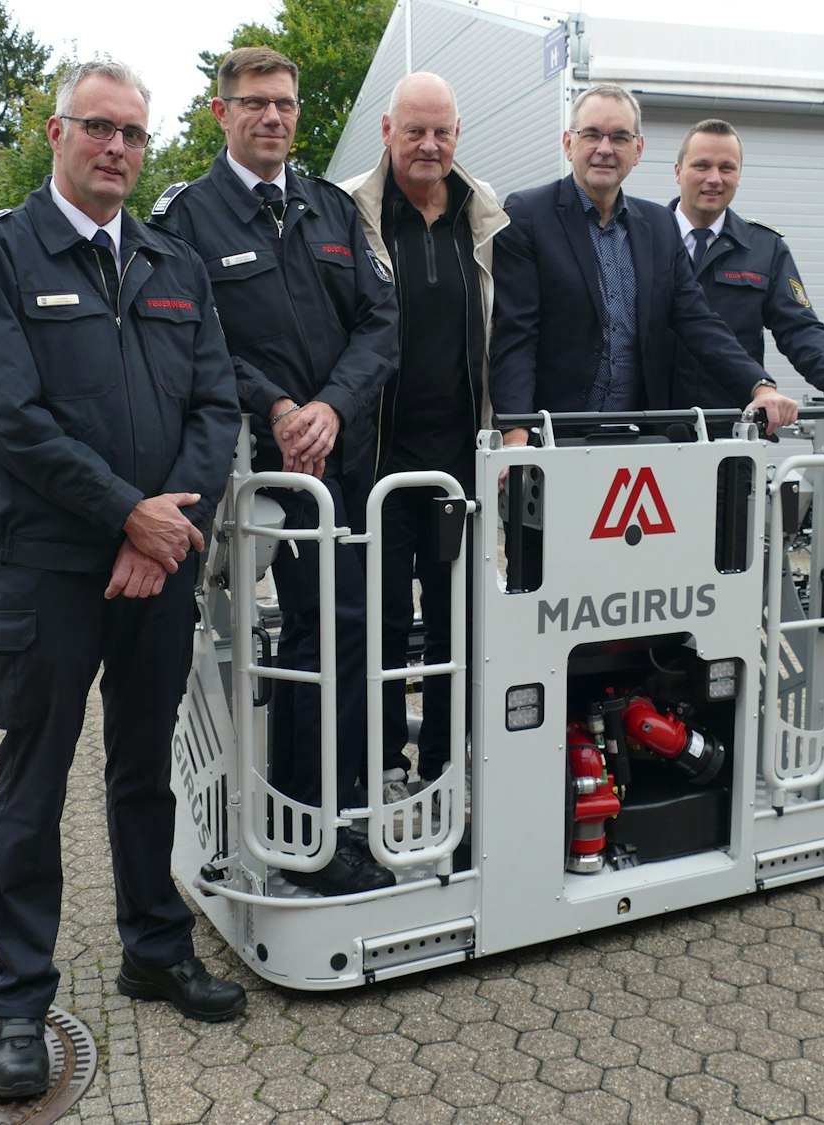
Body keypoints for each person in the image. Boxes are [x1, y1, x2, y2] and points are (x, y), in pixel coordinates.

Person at [0, 59, 248, 1101]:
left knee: (146, 771)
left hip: (153, 566)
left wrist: (161, 527)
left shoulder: (172, 263)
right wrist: (126, 512)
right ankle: (19, 1002)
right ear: (56, 134)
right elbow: (5, 417)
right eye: (98, 128)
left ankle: (154, 951)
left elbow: (215, 409)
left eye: (132, 134)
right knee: (32, 786)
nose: (116, 147)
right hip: (50, 571)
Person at [151, 46, 400, 895]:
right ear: (221, 113)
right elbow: (195, 342)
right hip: (264, 473)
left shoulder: (332, 209)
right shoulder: (186, 219)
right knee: (315, 634)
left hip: (352, 462)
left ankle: (350, 803)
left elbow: (381, 323)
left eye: (286, 105)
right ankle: (313, 826)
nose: (274, 118)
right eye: (255, 103)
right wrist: (282, 408)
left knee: (361, 632)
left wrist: (328, 404)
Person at [337, 72, 505, 792]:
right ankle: (378, 766)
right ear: (387, 132)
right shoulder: (350, 213)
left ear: (458, 135)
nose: (429, 144)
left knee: (456, 621)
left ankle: (442, 762)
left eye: (442, 131)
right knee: (377, 625)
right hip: (377, 465)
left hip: (461, 464)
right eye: (415, 130)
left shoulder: (485, 216)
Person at [488, 83, 800, 441]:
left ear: (638, 149)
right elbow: (516, 335)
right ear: (568, 142)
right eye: (592, 134)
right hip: (553, 440)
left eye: (620, 137)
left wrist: (759, 386)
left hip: (641, 443)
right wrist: (516, 432)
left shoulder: (658, 226)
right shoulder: (528, 215)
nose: (605, 149)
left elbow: (698, 320)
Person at [668, 119, 824, 417]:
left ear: (739, 176)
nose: (714, 178)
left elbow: (800, 330)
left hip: (734, 425)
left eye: (727, 168)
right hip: (651, 425)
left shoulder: (764, 248)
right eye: (702, 166)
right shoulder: (645, 238)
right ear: (678, 171)